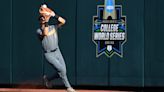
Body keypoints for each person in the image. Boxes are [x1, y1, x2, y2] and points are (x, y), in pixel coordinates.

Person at [37, 4, 76, 92]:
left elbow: (63, 21)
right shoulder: (39, 31)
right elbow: (45, 33)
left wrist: (54, 15)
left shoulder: (53, 27)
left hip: (57, 51)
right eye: (41, 19)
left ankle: (48, 79)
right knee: (61, 69)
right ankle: (68, 87)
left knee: (63, 71)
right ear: (40, 21)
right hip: (49, 54)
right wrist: (46, 20)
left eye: (43, 18)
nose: (43, 19)